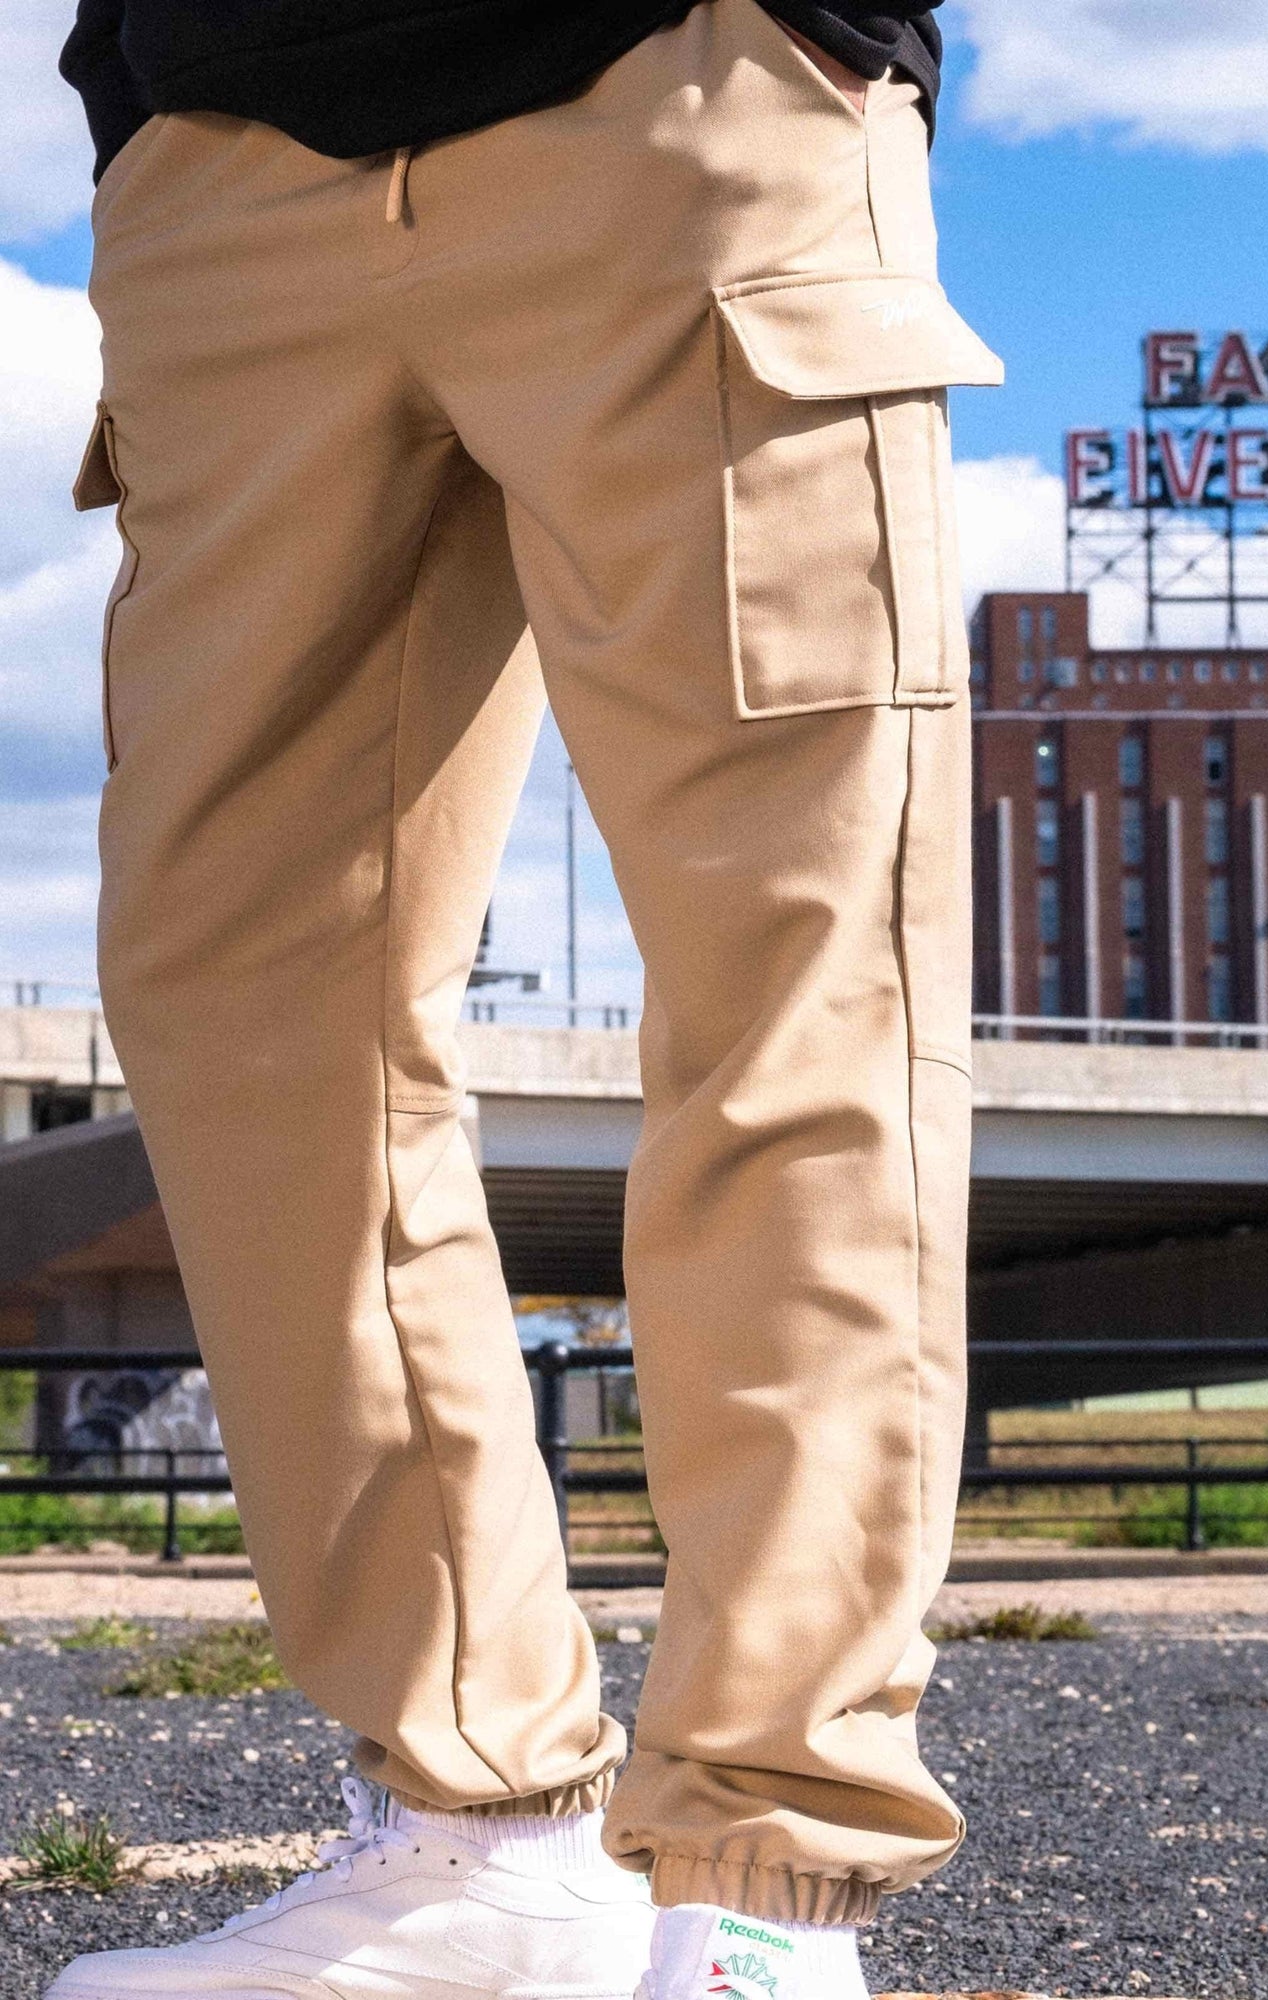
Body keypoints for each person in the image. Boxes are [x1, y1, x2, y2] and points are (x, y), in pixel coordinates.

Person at [48, 0, 1001, 1993]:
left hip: (672, 90)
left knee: (790, 971)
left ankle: (763, 1870)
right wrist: (129, 110)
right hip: (225, 160)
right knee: (243, 1003)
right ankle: (473, 1826)